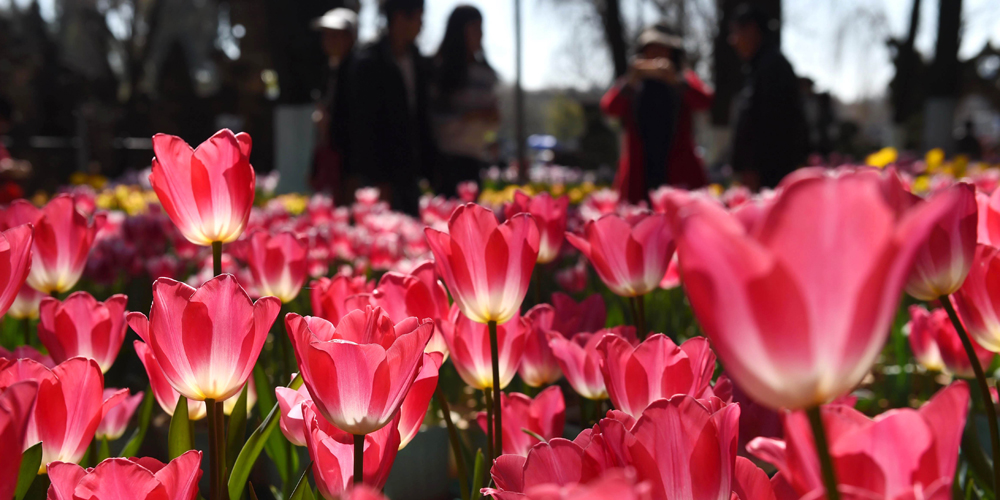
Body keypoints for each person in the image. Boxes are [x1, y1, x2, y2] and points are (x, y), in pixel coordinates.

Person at [601, 23, 712, 203]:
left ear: (672, 52)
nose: (656, 55)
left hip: (678, 166)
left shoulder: (682, 77)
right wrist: (629, 82)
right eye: (651, 49)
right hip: (640, 168)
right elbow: (609, 108)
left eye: (663, 49)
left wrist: (677, 81)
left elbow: (705, 101)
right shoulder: (633, 80)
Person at [343, 0, 435, 214]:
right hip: (378, 176)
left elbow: (422, 118)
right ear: (400, 17)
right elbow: (362, 125)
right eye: (419, 18)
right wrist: (377, 179)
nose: (422, 25)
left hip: (410, 172)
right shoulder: (368, 60)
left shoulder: (419, 61)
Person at [728, 3, 808, 189]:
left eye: (736, 32)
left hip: (769, 177)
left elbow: (774, 126)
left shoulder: (772, 68)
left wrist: (752, 167)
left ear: (752, 30)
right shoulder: (759, 67)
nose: (733, 40)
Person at [430, 5, 500, 197]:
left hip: (476, 158)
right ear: (459, 31)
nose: (480, 35)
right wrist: (471, 116)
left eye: (481, 29)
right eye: (475, 29)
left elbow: (494, 121)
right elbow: (433, 119)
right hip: (445, 162)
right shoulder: (438, 71)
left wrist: (490, 119)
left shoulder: (487, 74)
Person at [310, 8, 358, 196]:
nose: (329, 40)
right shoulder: (328, 70)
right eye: (326, 35)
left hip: (349, 160)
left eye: (336, 35)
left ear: (351, 37)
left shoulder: (357, 71)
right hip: (329, 155)